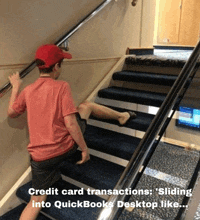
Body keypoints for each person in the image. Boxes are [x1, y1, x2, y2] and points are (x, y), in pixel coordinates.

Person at [7, 44, 136, 220]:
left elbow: (12, 113)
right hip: (63, 149)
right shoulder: (61, 86)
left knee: (36, 201)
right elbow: (71, 123)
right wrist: (84, 148)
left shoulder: (28, 90)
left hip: (40, 158)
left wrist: (15, 86)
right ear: (57, 66)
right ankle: (122, 116)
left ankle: (50, 177)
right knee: (85, 106)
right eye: (61, 64)